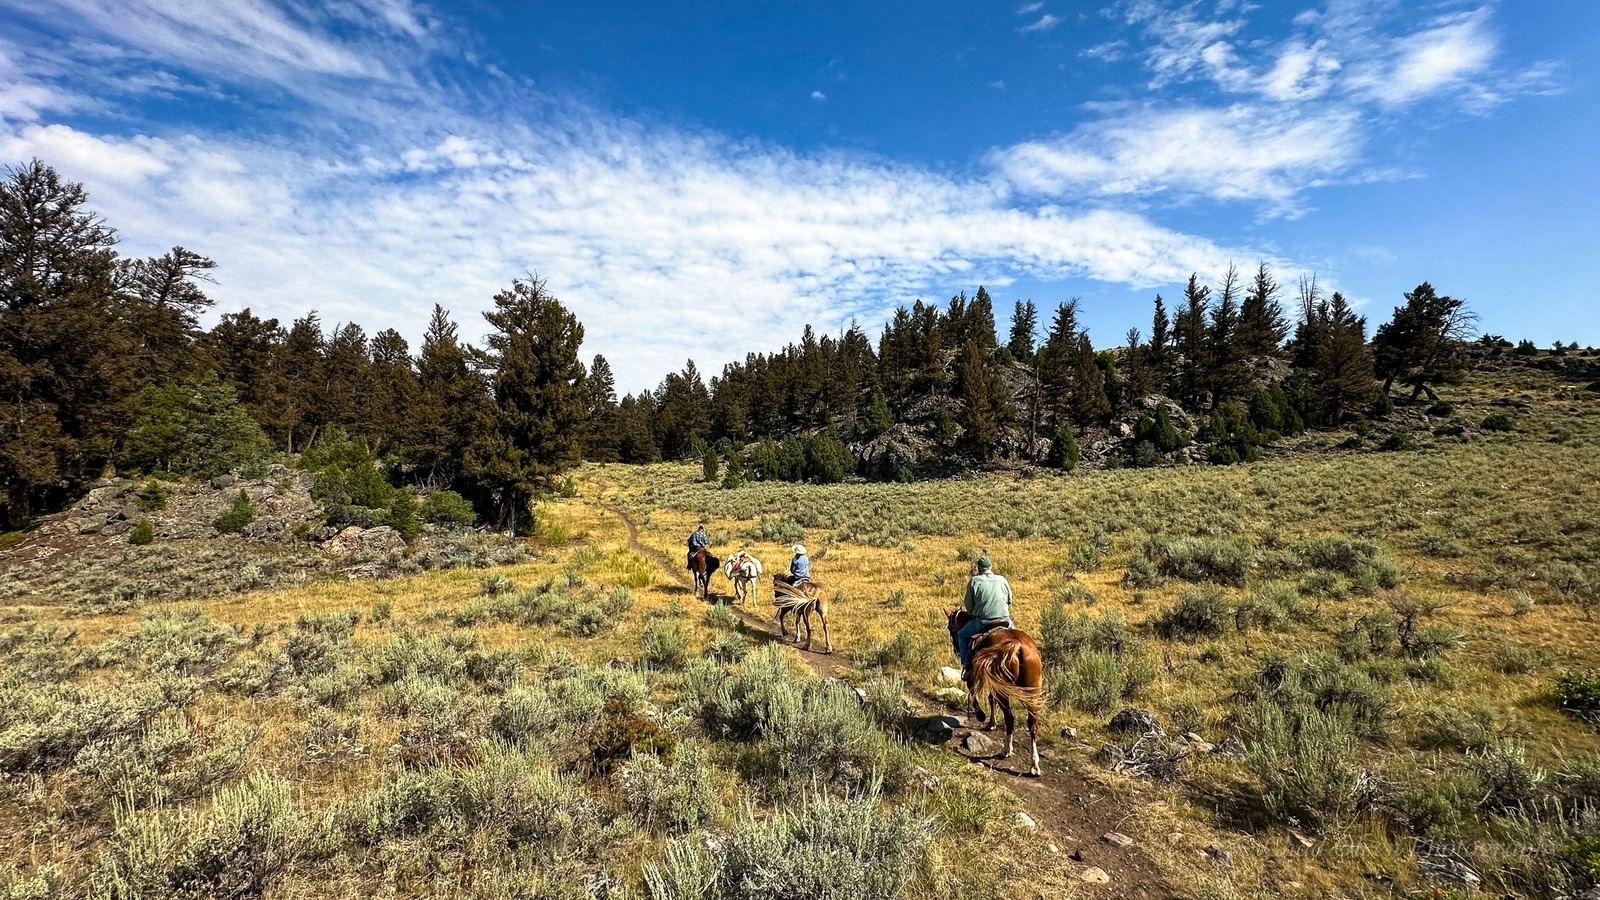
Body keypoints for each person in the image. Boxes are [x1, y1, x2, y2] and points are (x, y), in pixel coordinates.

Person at [957, 555, 1013, 676]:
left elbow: (968, 604)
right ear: (991, 567)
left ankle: (967, 666)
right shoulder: (1002, 579)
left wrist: (973, 613)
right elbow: (1009, 600)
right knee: (1016, 636)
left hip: (983, 621)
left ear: (979, 568)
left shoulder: (974, 581)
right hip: (1005, 619)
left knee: (961, 635)